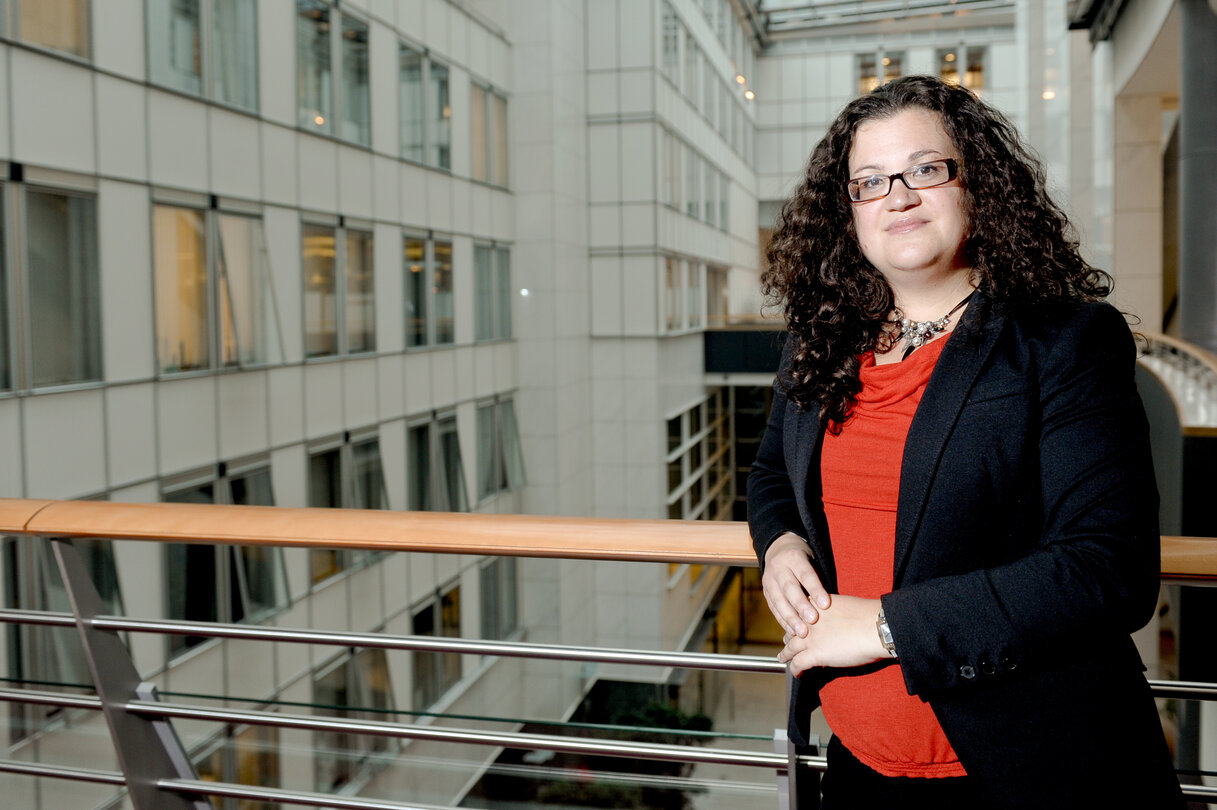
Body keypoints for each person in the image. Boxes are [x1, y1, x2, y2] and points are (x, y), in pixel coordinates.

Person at [747, 75, 1184, 809]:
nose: (898, 196)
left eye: (925, 169)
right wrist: (782, 543)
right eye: (869, 182)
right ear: (846, 211)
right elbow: (768, 473)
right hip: (855, 764)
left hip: (1023, 771)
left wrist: (882, 626)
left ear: (975, 184)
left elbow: (1108, 568)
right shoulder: (816, 342)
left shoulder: (1062, 341)